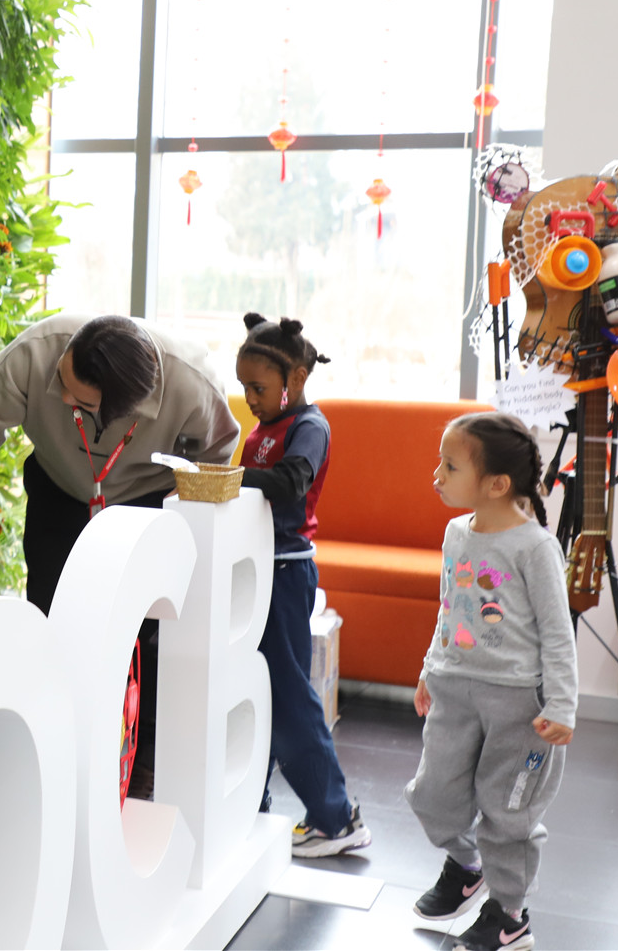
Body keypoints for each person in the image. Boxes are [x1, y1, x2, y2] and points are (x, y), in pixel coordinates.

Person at [407, 411, 577, 951]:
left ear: (497, 484)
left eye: (449, 466)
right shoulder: (456, 533)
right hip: (455, 689)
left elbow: (558, 633)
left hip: (519, 706)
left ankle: (509, 914)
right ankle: (466, 865)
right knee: (433, 795)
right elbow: (449, 609)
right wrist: (428, 669)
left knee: (509, 812)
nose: (436, 474)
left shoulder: (534, 548)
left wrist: (563, 707)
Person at [0, 312, 238, 613]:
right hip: (59, 487)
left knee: (142, 616)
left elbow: (214, 454)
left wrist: (182, 503)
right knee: (51, 608)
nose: (64, 398)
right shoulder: (35, 352)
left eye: (83, 402)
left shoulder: (193, 384)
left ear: (127, 407)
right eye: (62, 380)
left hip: (145, 501)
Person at [234, 313, 371, 858]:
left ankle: (336, 819)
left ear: (294, 379)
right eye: (244, 387)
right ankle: (251, 803)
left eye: (259, 388)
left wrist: (229, 479)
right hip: (256, 571)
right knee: (258, 687)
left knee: (289, 695)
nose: (249, 398)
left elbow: (291, 485)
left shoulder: (308, 426)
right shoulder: (264, 428)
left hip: (286, 572)